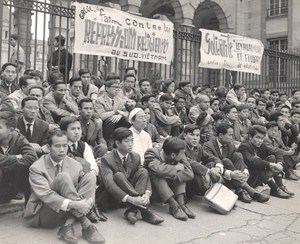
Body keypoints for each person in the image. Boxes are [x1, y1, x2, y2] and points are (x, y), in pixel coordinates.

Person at [24, 130, 105, 244]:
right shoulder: (36, 168)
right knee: (63, 177)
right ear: (48, 147)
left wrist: (83, 202)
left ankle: (67, 225)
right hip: (45, 212)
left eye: (65, 146)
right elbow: (46, 195)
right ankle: (86, 223)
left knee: (90, 177)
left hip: (66, 210)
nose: (62, 150)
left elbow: (81, 189)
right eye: (57, 146)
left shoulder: (75, 164)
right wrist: (77, 204)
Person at [100, 128, 164, 225]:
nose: (131, 144)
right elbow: (110, 185)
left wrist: (147, 193)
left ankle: (132, 210)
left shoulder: (135, 156)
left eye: (132, 140)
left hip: (130, 194)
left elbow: (144, 176)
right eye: (127, 141)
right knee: (118, 175)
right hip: (115, 198)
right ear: (117, 143)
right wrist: (131, 199)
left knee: (143, 171)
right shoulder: (107, 159)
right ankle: (145, 211)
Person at [203, 123, 269, 203]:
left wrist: (244, 170)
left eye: (232, 135)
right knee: (225, 160)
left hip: (232, 177)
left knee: (237, 155)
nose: (232, 138)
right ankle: (245, 190)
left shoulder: (230, 145)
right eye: (230, 135)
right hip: (218, 177)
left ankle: (241, 188)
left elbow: (238, 160)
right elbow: (213, 165)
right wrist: (231, 173)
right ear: (220, 135)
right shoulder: (208, 146)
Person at [144, 137, 194, 221]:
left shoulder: (180, 152)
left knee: (180, 174)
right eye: (182, 154)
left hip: (170, 187)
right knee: (156, 174)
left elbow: (189, 173)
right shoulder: (152, 153)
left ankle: (181, 204)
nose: (183, 155)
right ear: (173, 155)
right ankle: (173, 205)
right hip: (154, 191)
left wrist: (171, 172)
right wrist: (175, 168)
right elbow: (158, 169)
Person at [237, 125, 293, 199]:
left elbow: (277, 152)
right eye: (258, 137)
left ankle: (280, 186)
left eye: (262, 138)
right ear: (250, 137)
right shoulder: (244, 146)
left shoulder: (261, 146)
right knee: (257, 161)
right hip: (246, 179)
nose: (260, 141)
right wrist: (271, 164)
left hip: (258, 178)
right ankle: (275, 188)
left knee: (272, 157)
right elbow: (252, 161)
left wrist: (280, 163)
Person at [0, 111, 37, 204]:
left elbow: (32, 158)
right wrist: (16, 157)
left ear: (11, 130)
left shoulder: (19, 139)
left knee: (32, 170)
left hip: (10, 187)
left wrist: (5, 161)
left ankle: (30, 209)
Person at [182, 125, 223, 196]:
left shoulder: (198, 147)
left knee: (212, 163)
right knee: (197, 174)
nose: (195, 138)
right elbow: (190, 162)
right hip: (186, 180)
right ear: (185, 135)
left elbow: (213, 158)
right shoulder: (180, 147)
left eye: (197, 135)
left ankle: (215, 192)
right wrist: (209, 171)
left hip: (197, 179)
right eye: (192, 135)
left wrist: (217, 168)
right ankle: (213, 194)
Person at [94, 80, 130, 150]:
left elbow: (126, 113)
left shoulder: (120, 100)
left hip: (117, 122)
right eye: (114, 87)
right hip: (105, 125)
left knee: (127, 120)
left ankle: (123, 139)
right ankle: (109, 142)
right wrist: (115, 112)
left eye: (118, 87)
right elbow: (101, 115)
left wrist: (120, 115)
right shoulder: (99, 100)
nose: (116, 89)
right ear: (107, 89)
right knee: (111, 120)